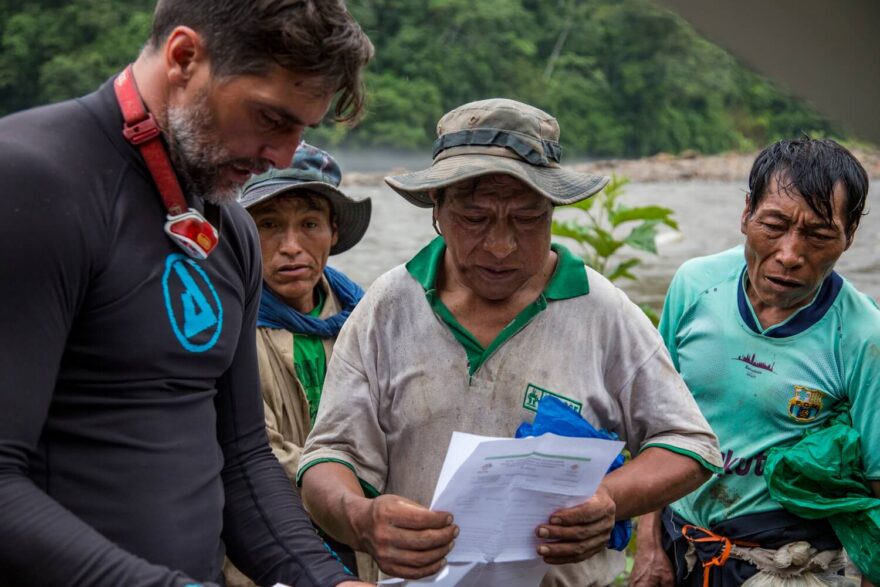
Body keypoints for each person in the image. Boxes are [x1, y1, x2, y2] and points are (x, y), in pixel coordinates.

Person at [0, 1, 374, 586]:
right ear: (184, 57)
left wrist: (328, 580)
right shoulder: (29, 182)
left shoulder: (231, 228)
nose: (281, 154)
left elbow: (244, 458)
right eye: (271, 117)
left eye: (303, 129)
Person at [297, 98, 723, 586]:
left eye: (526, 218)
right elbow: (328, 457)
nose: (500, 247)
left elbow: (690, 444)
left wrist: (609, 498)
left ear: (553, 211)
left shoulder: (601, 311)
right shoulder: (389, 306)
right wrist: (361, 520)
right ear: (437, 208)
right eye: (475, 219)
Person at [631, 138, 880, 587]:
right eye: (774, 224)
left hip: (788, 563)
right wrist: (649, 544)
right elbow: (658, 424)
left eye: (819, 235)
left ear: (850, 235)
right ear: (746, 213)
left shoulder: (864, 337)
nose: (789, 254)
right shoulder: (695, 286)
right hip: (683, 543)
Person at [223, 143, 374, 586]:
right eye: (268, 225)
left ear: (333, 231)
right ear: (241, 232)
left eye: (309, 224)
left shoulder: (366, 318)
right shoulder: (227, 328)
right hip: (266, 554)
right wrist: (356, 497)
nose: (291, 247)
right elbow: (256, 455)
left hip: (368, 546)